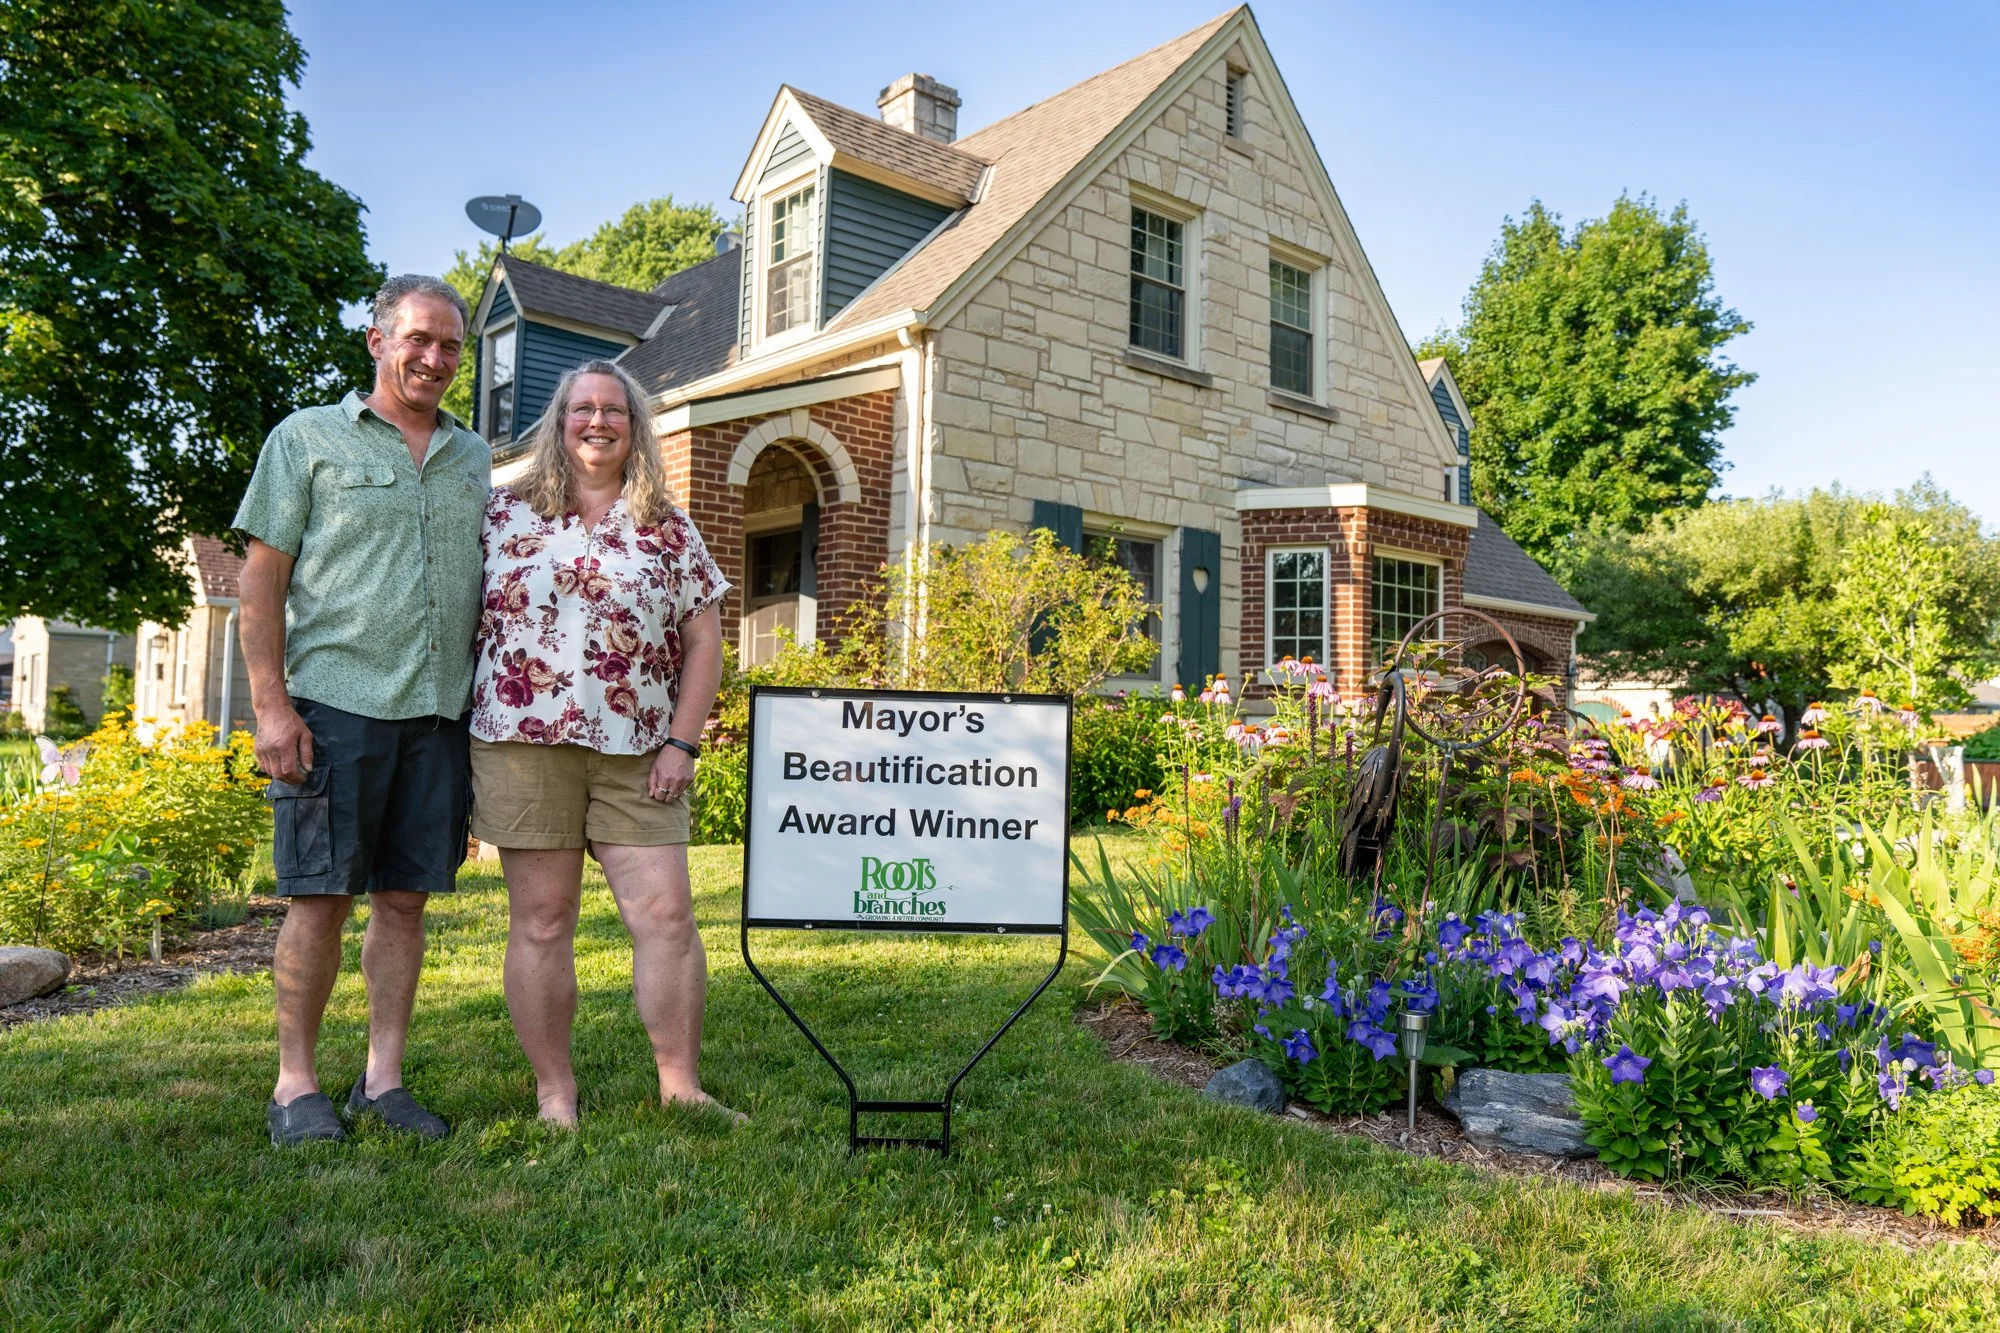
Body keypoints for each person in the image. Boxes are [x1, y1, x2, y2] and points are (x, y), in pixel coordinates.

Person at [235, 274, 489, 1147]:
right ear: (378, 340)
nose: (435, 358)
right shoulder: (306, 438)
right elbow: (261, 580)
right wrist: (271, 705)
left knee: (405, 902)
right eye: (419, 338)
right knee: (320, 900)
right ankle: (294, 1085)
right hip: (335, 706)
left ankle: (383, 1079)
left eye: (450, 345)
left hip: (439, 714)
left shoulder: (473, 456)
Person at [470, 359, 735, 1126]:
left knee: (667, 917)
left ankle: (681, 1084)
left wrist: (683, 743)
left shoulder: (667, 526)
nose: (597, 421)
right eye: (581, 408)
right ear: (559, 423)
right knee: (542, 921)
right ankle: (555, 1090)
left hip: (640, 749)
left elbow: (705, 641)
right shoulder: (502, 513)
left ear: (634, 425)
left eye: (613, 409)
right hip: (522, 743)